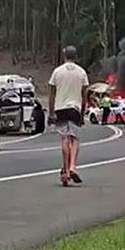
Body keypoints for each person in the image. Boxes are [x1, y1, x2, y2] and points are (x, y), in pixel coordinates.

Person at [48, 45, 89, 186]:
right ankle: (72, 167)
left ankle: (65, 170)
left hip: (60, 109)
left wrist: (51, 112)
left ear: (64, 56)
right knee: (75, 139)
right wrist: (83, 113)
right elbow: (84, 96)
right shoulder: (82, 72)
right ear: (76, 56)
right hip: (75, 108)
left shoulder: (57, 72)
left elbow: (52, 94)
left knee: (64, 138)